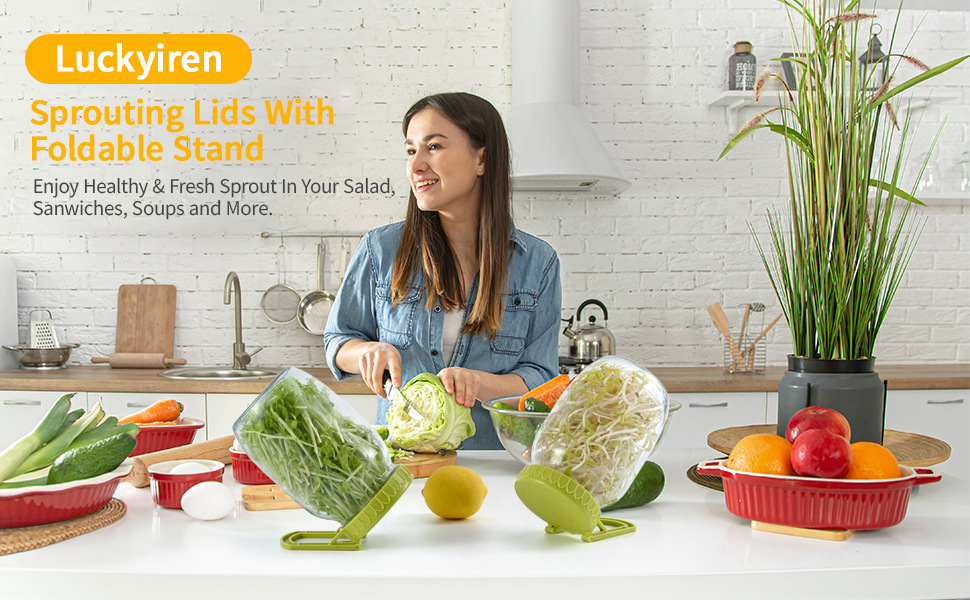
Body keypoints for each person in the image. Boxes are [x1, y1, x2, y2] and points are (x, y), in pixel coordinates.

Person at [324, 92, 562, 450]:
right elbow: (339, 340)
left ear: (481, 159)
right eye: (410, 150)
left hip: (494, 460)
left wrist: (478, 383)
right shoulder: (381, 249)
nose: (416, 165)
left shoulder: (538, 263)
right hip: (403, 461)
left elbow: (540, 378)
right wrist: (366, 352)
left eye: (433, 147)